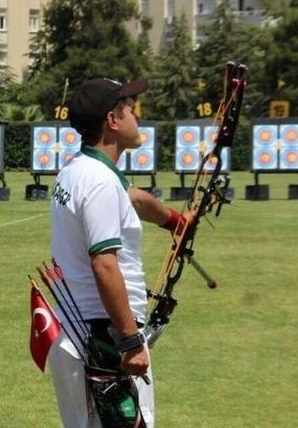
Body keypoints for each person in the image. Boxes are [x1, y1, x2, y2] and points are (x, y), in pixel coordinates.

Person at [47, 78, 194, 428]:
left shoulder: (79, 169)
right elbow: (104, 265)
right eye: (130, 108)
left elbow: (133, 197)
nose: (137, 116)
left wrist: (176, 221)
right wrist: (130, 341)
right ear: (112, 120)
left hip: (76, 333)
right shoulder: (99, 183)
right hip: (103, 340)